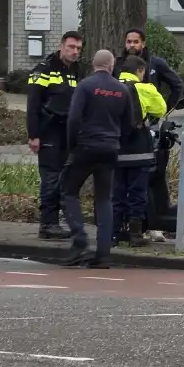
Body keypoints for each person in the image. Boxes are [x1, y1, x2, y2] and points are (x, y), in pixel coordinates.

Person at [59, 49, 139, 268]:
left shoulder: (85, 86)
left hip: (85, 146)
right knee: (104, 199)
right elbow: (128, 123)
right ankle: (103, 253)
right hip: (110, 149)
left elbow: (73, 118)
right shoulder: (122, 90)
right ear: (112, 66)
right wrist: (117, 142)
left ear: (94, 65)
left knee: (68, 190)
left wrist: (72, 145)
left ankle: (80, 239)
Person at [26, 30, 84, 240]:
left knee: (64, 178)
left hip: (68, 133)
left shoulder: (77, 71)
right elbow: (33, 104)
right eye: (71, 47)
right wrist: (34, 135)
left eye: (78, 48)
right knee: (51, 177)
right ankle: (47, 224)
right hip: (49, 130)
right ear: (61, 46)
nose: (74, 52)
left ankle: (57, 220)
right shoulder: (44, 69)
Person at [113, 55, 167, 247]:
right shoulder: (145, 88)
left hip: (115, 149)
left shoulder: (110, 87)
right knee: (137, 193)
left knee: (116, 192)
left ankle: (114, 233)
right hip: (139, 150)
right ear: (140, 71)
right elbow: (161, 109)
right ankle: (135, 234)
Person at [117, 27, 184, 110]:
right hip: (121, 116)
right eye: (129, 41)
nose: (132, 45)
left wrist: (167, 108)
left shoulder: (156, 64)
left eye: (136, 42)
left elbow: (177, 85)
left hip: (150, 119)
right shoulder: (117, 64)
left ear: (143, 44)